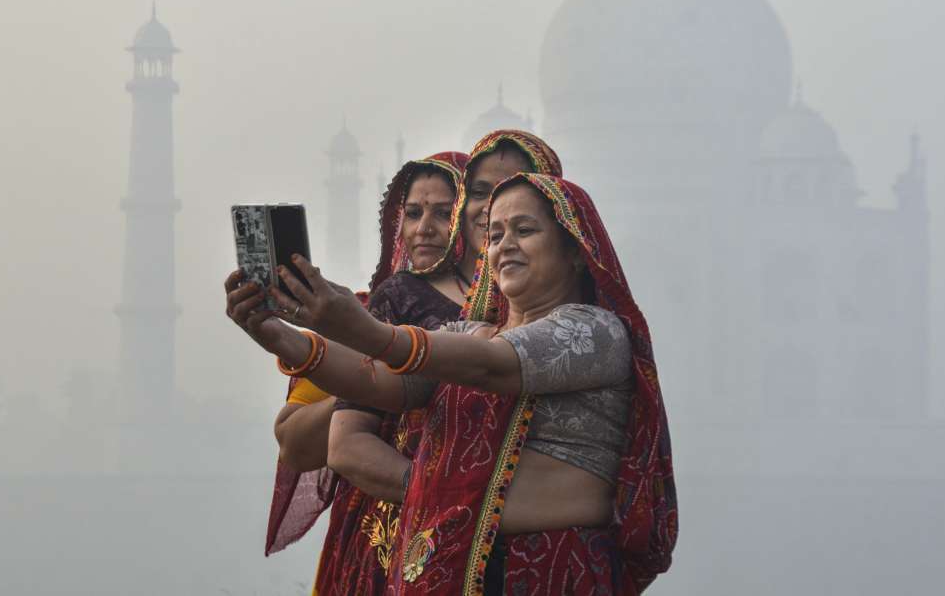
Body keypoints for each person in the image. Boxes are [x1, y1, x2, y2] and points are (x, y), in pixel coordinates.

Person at [225, 173, 676, 594]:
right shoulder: (467, 332)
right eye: (495, 235)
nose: (506, 246)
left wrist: (366, 330)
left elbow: (492, 367)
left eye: (525, 230)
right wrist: (281, 337)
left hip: (553, 573)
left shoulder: (594, 332)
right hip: (448, 572)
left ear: (575, 249)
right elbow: (382, 384)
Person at [319, 131, 562, 594]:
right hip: (419, 545)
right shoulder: (423, 306)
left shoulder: (584, 326)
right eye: (480, 192)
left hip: (542, 562)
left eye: (511, 195)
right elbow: (373, 407)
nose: (494, 208)